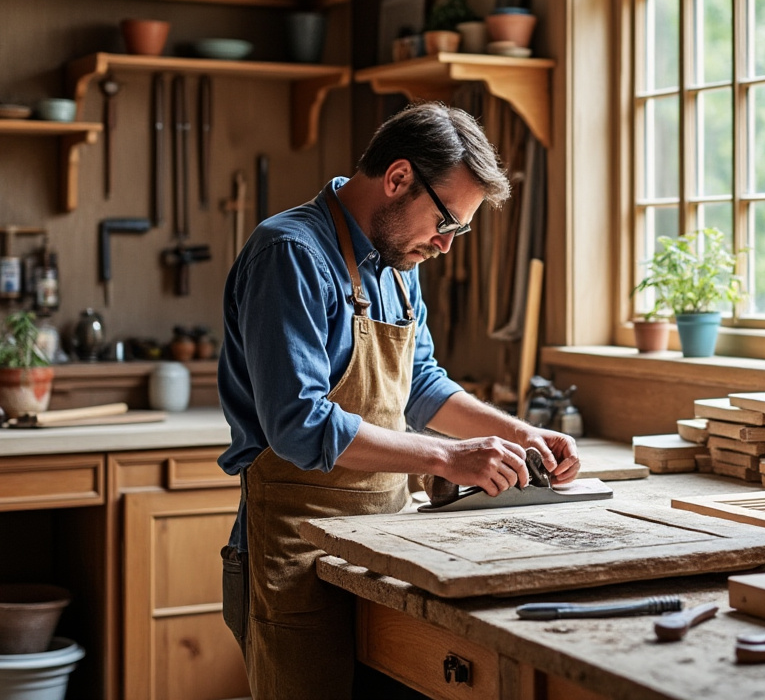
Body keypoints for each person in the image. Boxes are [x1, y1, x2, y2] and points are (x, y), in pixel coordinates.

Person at [216, 102, 579, 699]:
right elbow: (299, 424)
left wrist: (520, 435)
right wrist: (445, 459)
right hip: (294, 548)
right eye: (446, 223)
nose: (445, 245)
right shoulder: (292, 254)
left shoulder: (397, 257)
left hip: (381, 538)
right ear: (399, 178)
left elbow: (423, 383)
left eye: (457, 230)